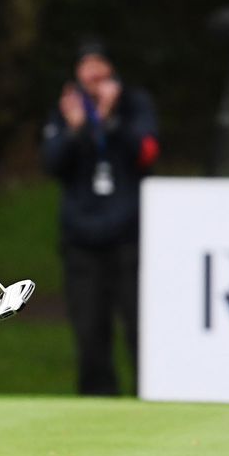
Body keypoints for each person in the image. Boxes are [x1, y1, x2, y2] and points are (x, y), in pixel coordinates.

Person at [40, 38, 159, 396]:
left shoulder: (134, 104)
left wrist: (109, 118)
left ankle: (150, 398)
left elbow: (148, 154)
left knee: (141, 329)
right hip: (82, 241)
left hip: (129, 238)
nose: (92, 74)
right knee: (90, 333)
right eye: (85, 65)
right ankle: (98, 405)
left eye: (99, 64)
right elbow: (51, 164)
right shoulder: (66, 108)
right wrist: (76, 129)